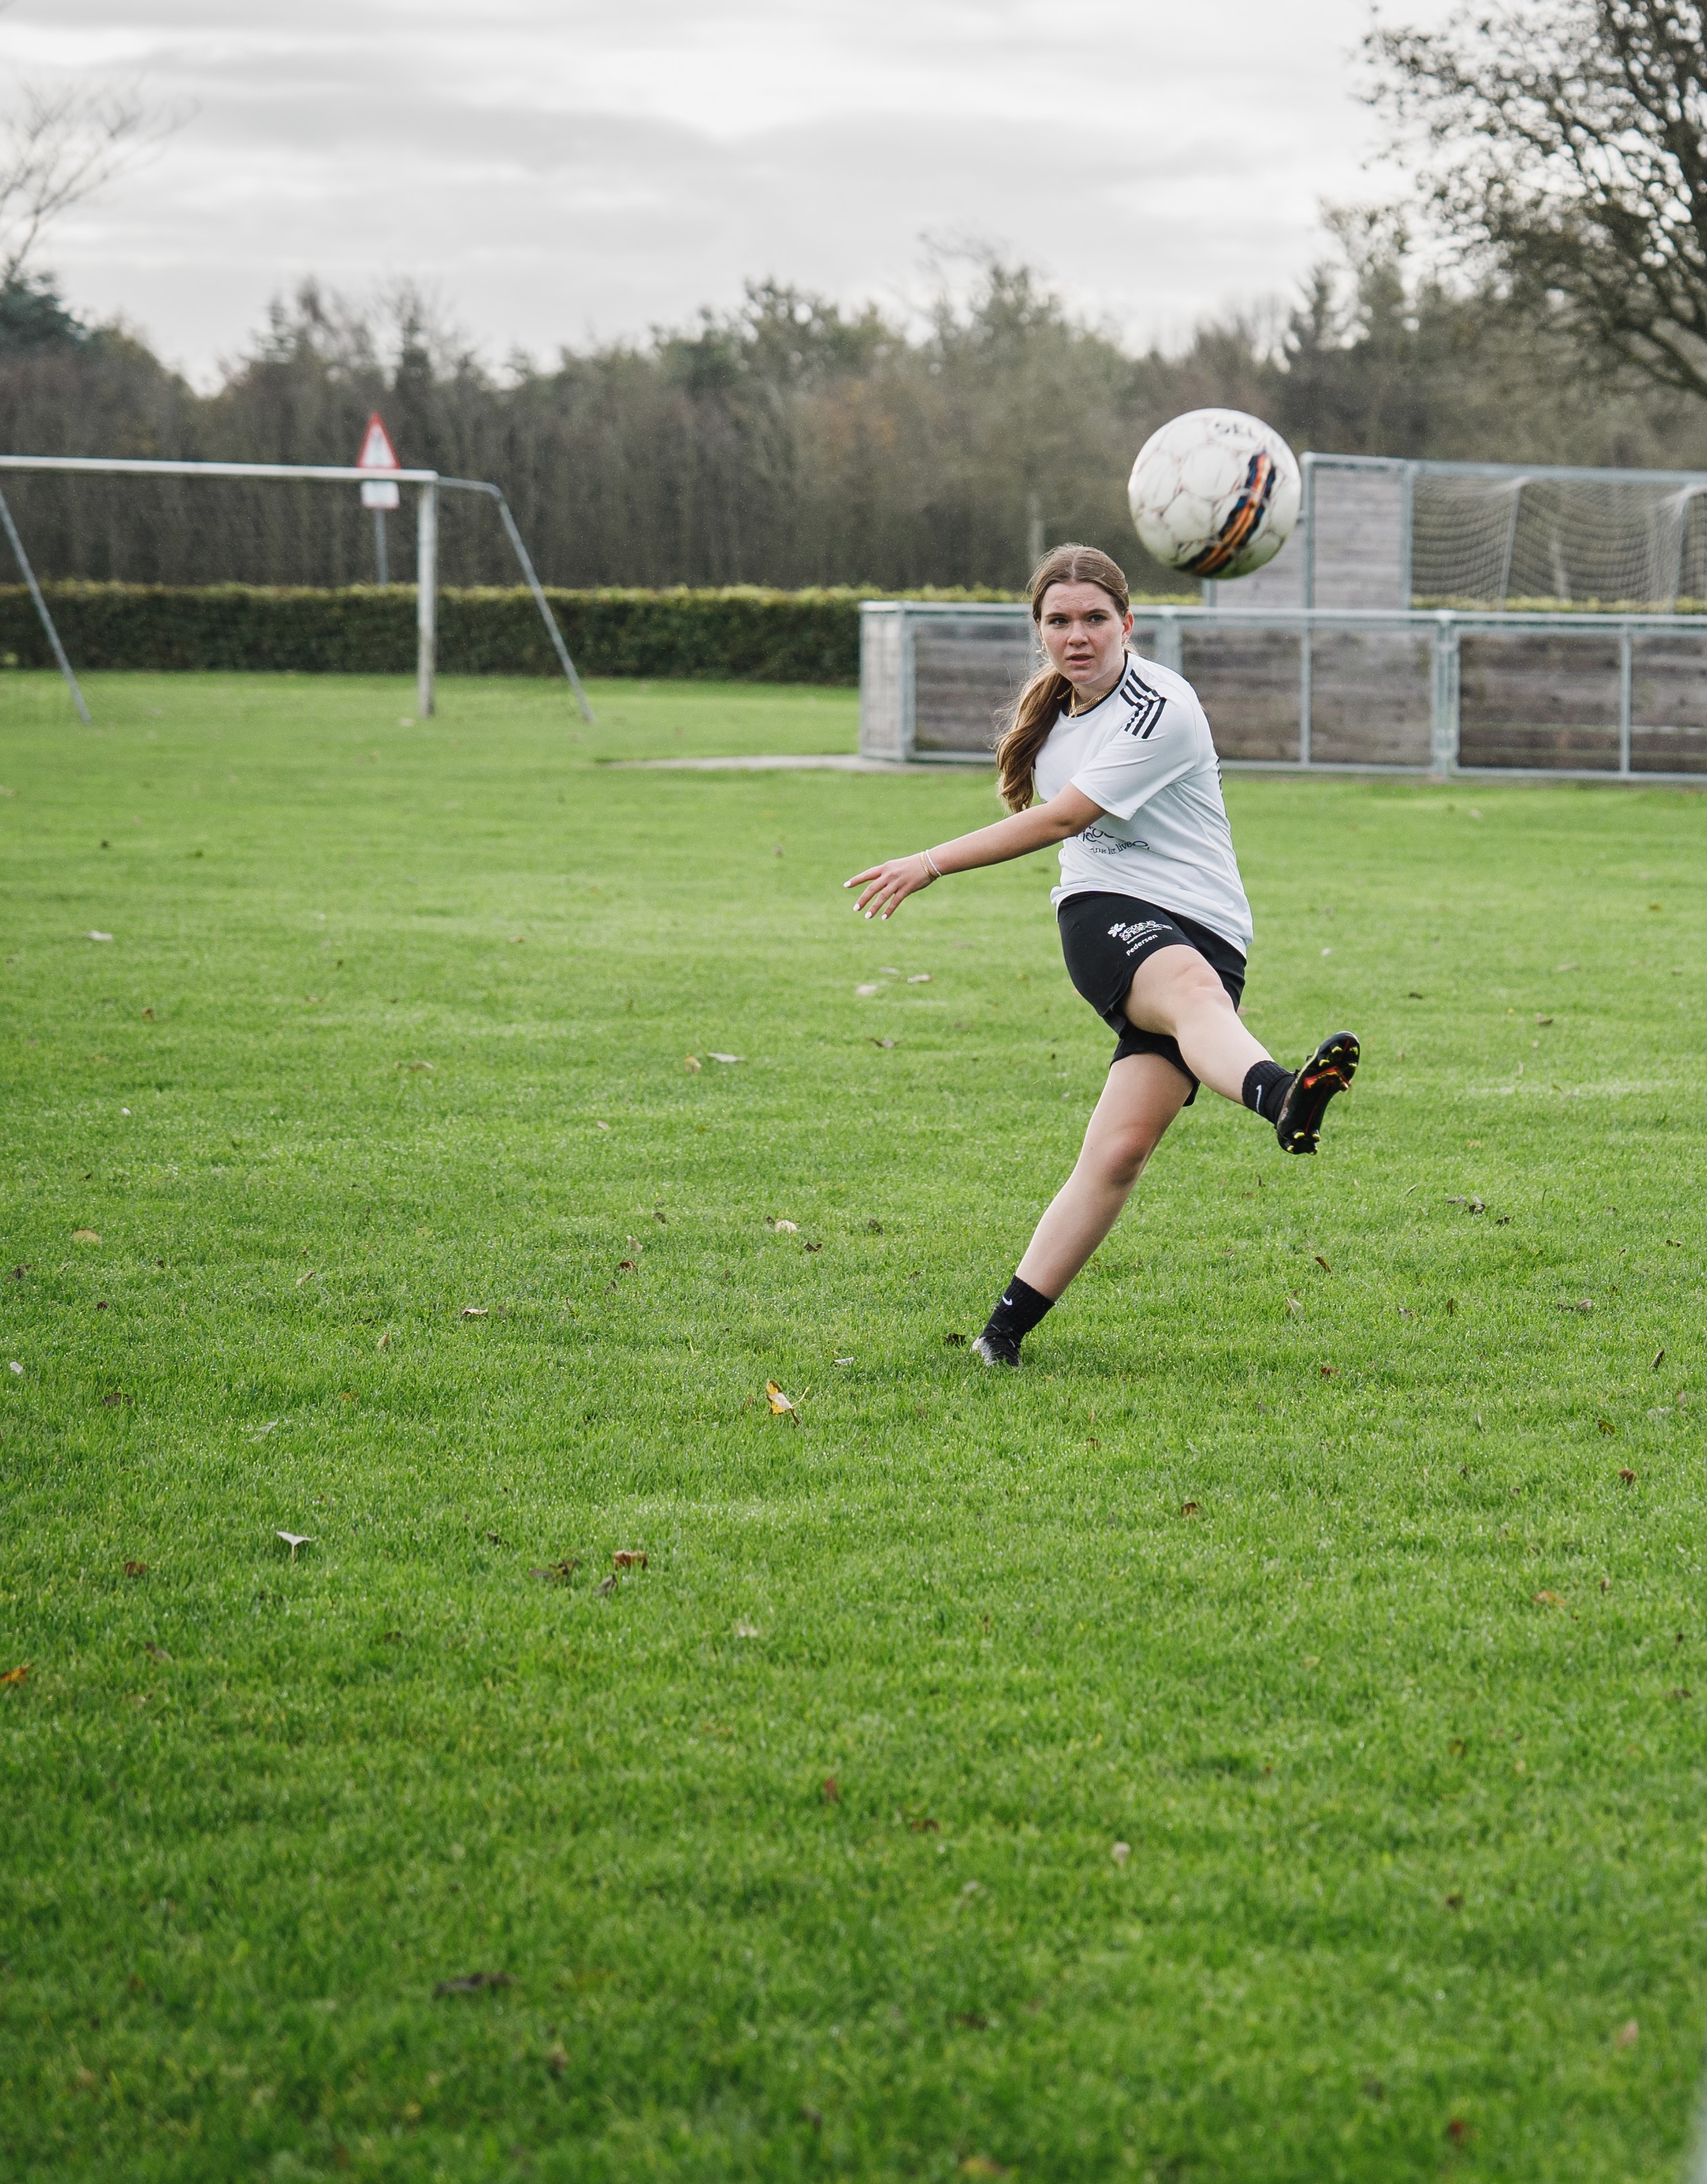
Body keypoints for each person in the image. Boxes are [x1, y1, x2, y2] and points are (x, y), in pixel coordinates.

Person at [844, 543, 1358, 1370]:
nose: (1076, 636)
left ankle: (1000, 1333)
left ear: (1128, 623)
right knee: (1191, 994)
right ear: (1038, 631)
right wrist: (931, 861)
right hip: (1105, 911)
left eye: (1092, 619)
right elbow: (1062, 827)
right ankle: (1280, 1098)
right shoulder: (1054, 717)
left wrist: (929, 860)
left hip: (1210, 928)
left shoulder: (1161, 705)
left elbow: (1056, 816)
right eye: (1057, 621)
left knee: (1118, 1152)